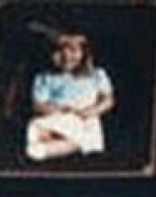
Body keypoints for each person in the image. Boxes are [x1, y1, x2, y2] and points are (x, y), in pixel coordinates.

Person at [24, 29, 114, 162]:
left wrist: (90, 111)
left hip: (84, 118)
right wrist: (60, 111)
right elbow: (38, 105)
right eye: (60, 51)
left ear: (84, 53)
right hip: (58, 115)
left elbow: (108, 100)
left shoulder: (96, 75)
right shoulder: (45, 77)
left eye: (73, 51)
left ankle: (49, 149)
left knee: (79, 135)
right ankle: (54, 141)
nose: (66, 56)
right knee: (35, 127)